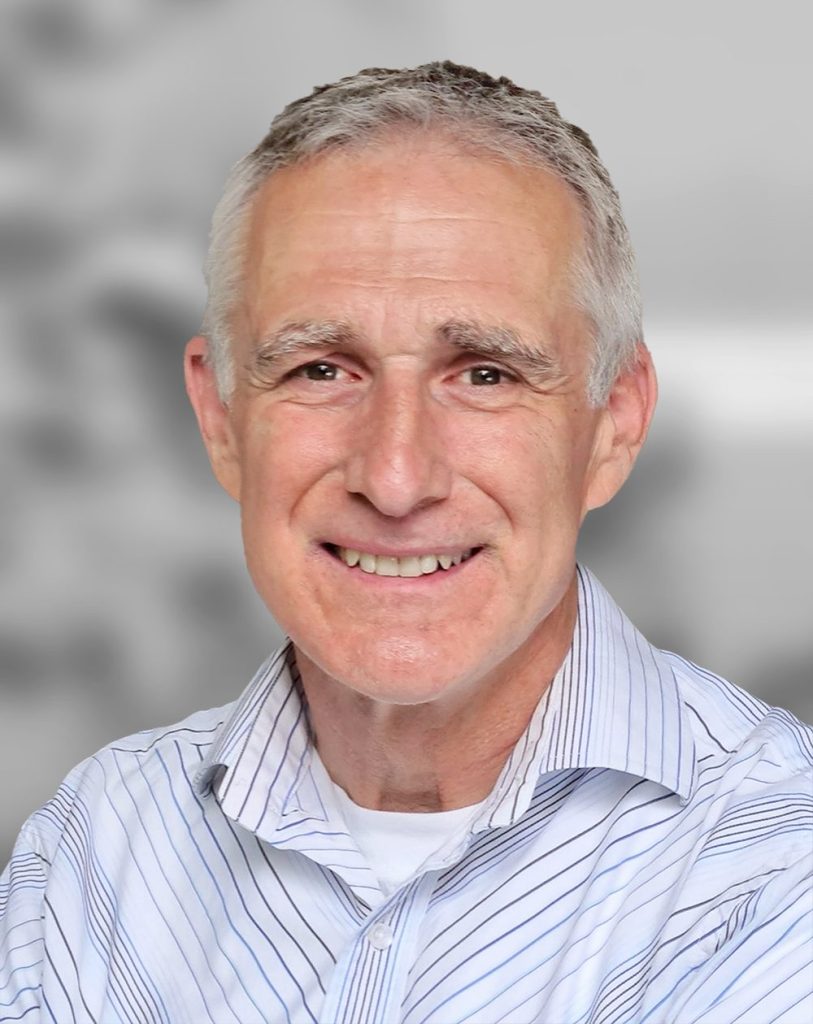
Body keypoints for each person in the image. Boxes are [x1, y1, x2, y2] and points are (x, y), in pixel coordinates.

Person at [1, 61, 811, 1024]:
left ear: (612, 426)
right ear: (219, 417)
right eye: (319, 368)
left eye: (483, 375)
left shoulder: (775, 860)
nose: (393, 477)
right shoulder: (95, 849)